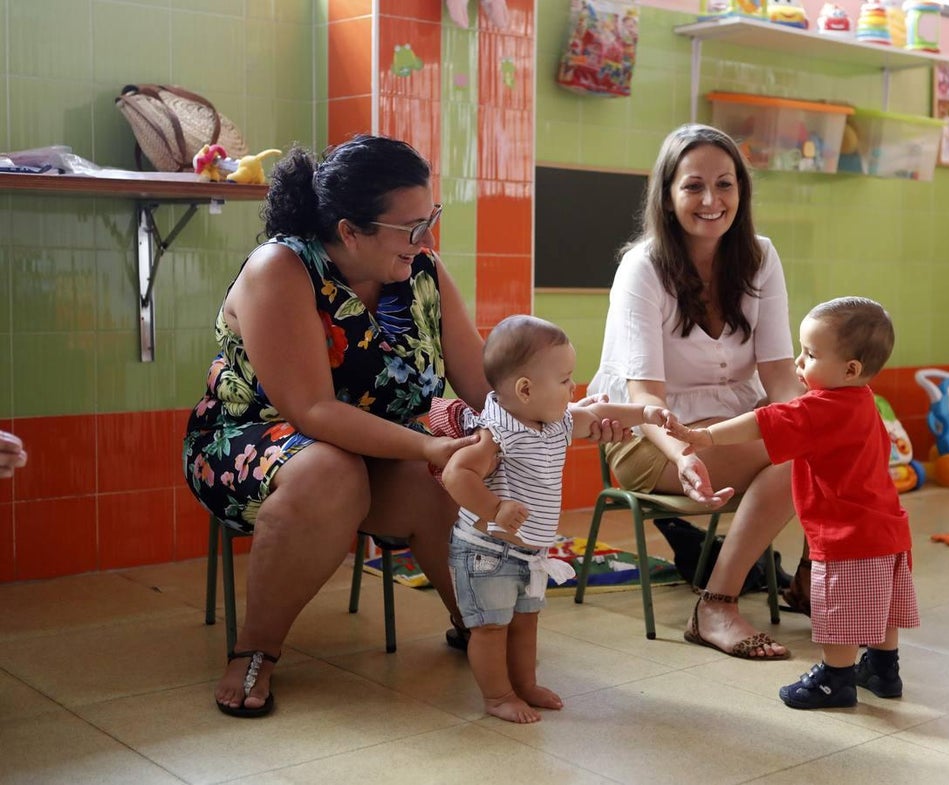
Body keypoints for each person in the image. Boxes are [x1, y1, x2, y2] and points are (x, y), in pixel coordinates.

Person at [183, 135, 625, 718]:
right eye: (413, 227)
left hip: (386, 448)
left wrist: (569, 415)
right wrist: (430, 443)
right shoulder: (282, 269)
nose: (428, 240)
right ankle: (255, 649)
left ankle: (478, 623)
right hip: (251, 444)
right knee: (335, 471)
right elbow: (312, 412)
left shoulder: (422, 272)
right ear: (350, 231)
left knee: (454, 471)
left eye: (430, 219)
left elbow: (482, 386)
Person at [588, 123, 808, 661]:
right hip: (646, 438)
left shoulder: (760, 257)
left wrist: (815, 425)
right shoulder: (643, 267)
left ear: (742, 190)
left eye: (725, 184)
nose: (711, 200)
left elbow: (780, 374)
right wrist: (686, 452)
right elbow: (644, 396)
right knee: (789, 458)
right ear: (667, 195)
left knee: (824, 434)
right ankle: (715, 604)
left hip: (731, 425)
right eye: (692, 186)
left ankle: (809, 577)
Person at [667, 296, 919, 709]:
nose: (799, 363)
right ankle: (883, 670)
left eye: (810, 354)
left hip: (846, 537)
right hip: (888, 529)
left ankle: (835, 680)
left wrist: (706, 437)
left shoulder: (820, 408)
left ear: (850, 369)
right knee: (881, 606)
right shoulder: (865, 403)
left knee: (838, 616)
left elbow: (760, 424)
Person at [442, 315, 675, 724]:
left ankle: (525, 685)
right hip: (487, 553)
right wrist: (494, 508)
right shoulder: (497, 433)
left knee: (526, 621)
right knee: (490, 628)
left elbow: (599, 411)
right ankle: (498, 696)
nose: (574, 390)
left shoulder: (556, 422)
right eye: (566, 380)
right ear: (526, 390)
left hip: (529, 552)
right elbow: (455, 473)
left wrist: (645, 414)